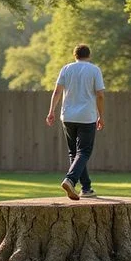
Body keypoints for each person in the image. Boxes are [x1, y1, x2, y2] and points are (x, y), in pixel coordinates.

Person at [46, 44, 105, 200]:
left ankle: (86, 188)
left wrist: (51, 111)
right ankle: (70, 179)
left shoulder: (66, 69)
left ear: (75, 55)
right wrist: (101, 115)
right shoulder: (94, 70)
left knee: (75, 153)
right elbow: (100, 95)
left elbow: (57, 91)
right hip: (87, 117)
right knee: (84, 152)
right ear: (89, 55)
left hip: (67, 116)